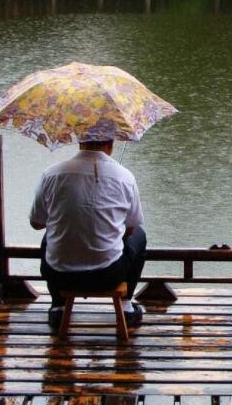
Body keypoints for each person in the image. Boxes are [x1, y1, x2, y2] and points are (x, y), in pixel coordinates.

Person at [30, 139, 147, 329]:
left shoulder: (52, 174)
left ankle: (58, 307)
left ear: (80, 142)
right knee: (139, 236)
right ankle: (126, 307)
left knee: (49, 233)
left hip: (60, 275)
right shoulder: (124, 176)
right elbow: (132, 228)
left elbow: (36, 223)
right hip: (108, 275)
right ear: (110, 144)